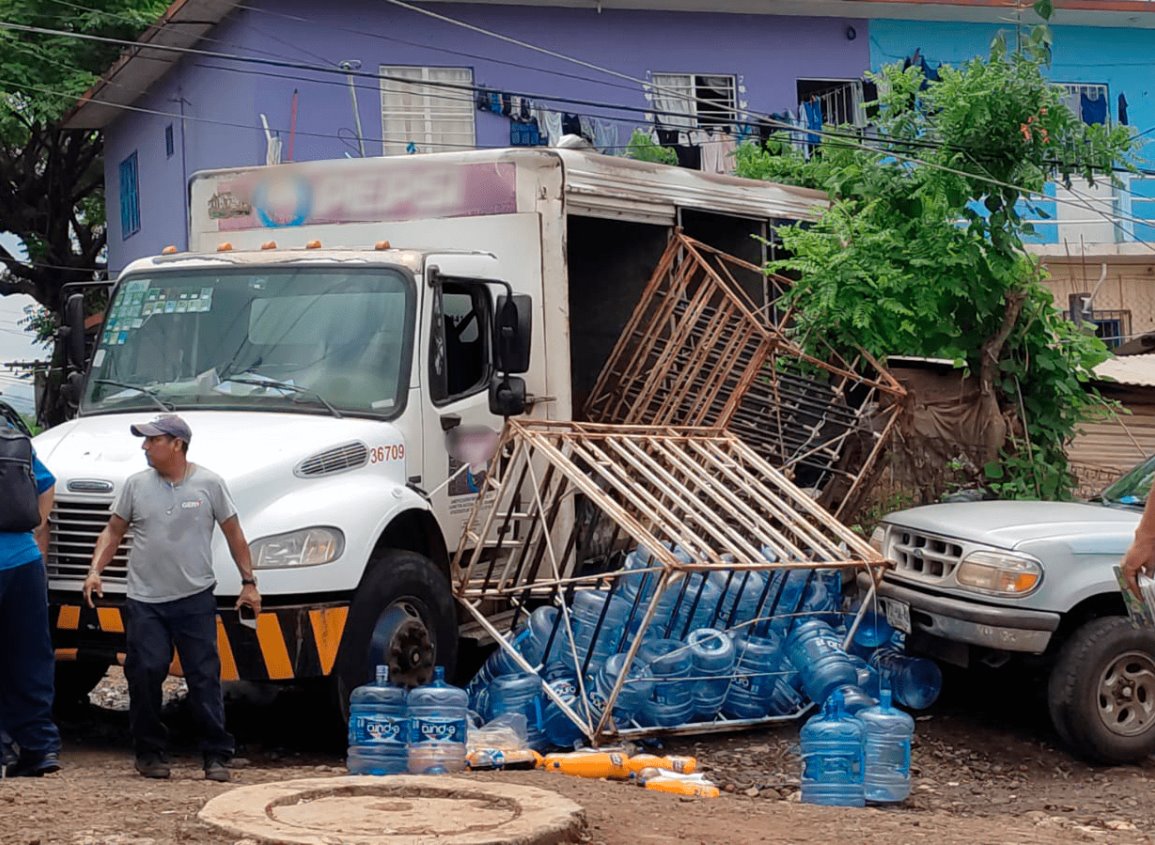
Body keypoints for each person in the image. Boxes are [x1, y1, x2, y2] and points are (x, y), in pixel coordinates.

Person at [83, 414, 260, 782]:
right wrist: (95, 570)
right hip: (145, 600)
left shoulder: (209, 484)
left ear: (176, 443)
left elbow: (234, 534)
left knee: (204, 676)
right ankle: (149, 752)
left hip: (194, 597)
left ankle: (216, 755)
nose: (145, 447)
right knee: (145, 671)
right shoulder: (135, 485)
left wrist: (249, 582)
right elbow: (113, 531)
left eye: (153, 440)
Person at [0, 431, 62, 777]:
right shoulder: (12, 441)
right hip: (24, 561)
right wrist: (34, 528)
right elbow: (47, 484)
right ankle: (40, 747)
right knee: (30, 656)